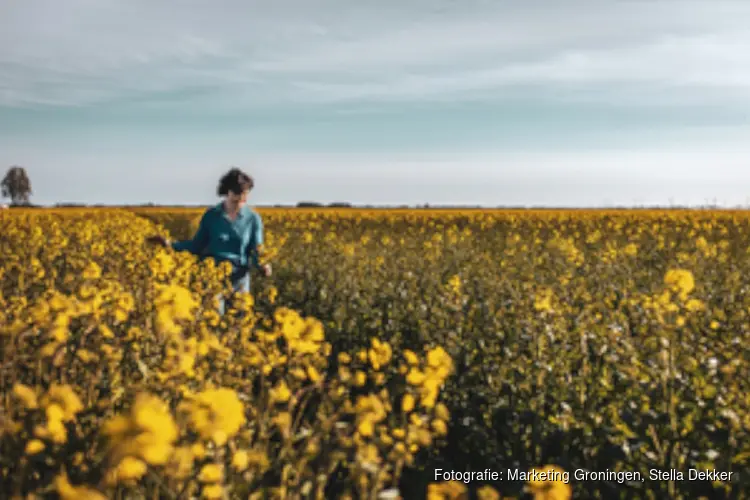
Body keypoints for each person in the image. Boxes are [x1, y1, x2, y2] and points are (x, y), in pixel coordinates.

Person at [146, 167, 271, 315]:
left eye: (245, 193)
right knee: (213, 320)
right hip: (213, 277)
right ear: (227, 191)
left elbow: (256, 249)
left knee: (239, 324)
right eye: (238, 192)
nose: (241, 198)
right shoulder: (212, 216)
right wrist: (169, 244)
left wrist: (263, 265)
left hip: (239, 278)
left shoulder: (253, 218)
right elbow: (197, 245)